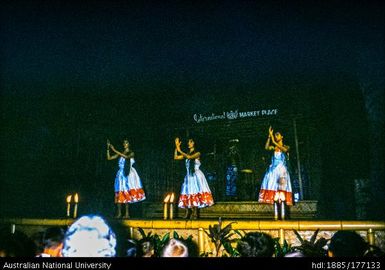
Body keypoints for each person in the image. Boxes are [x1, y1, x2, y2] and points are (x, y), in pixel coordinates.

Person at [258, 126, 293, 220]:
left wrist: (272, 138)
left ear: (282, 136)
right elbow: (266, 147)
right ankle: (276, 216)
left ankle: (284, 216)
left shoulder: (286, 147)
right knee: (275, 196)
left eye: (277, 135)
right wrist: (269, 137)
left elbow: (284, 150)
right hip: (274, 172)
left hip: (282, 172)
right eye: (275, 135)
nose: (276, 136)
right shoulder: (274, 147)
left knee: (282, 195)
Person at [174, 137, 214, 219]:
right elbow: (176, 157)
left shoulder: (198, 153)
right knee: (188, 192)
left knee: (195, 191)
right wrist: (176, 147)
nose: (189, 143)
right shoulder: (187, 153)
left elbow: (189, 157)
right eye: (188, 142)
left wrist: (179, 150)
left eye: (191, 142)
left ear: (194, 143)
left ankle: (195, 213)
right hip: (189, 175)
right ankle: (187, 212)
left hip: (196, 175)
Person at [107, 139, 146, 218]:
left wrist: (114, 149)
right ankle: (119, 213)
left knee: (126, 192)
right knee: (119, 192)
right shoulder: (121, 153)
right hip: (120, 174)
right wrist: (108, 148)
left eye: (126, 142)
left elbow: (126, 157)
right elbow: (109, 158)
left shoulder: (131, 152)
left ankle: (127, 214)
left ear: (129, 144)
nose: (124, 144)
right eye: (124, 142)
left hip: (128, 174)